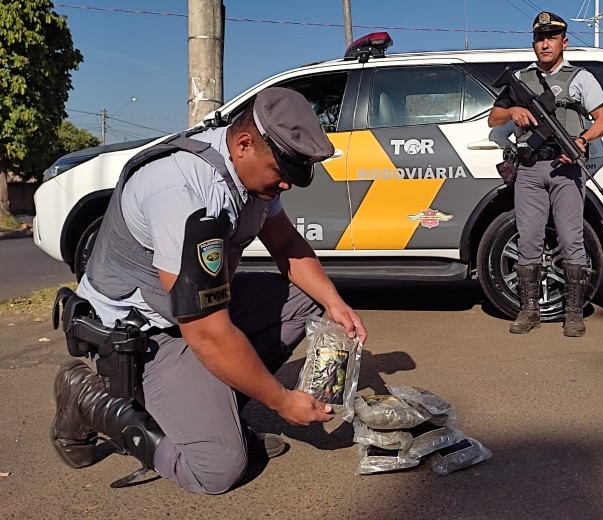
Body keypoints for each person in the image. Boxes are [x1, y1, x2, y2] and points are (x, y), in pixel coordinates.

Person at [50, 87, 368, 494]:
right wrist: (283, 402)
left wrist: (335, 303)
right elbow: (205, 333)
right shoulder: (181, 192)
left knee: (306, 302)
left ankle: (212, 415)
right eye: (282, 170)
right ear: (245, 143)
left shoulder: (253, 177)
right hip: (140, 333)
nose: (287, 184)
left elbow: (287, 245)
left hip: (187, 313)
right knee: (218, 468)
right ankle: (93, 398)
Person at [488, 12, 603, 338]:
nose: (545, 43)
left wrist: (582, 140)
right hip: (529, 169)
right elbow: (493, 118)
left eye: (552, 38)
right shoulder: (520, 79)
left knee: (572, 239)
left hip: (566, 169)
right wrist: (513, 110)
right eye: (540, 38)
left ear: (564, 42)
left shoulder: (580, 78)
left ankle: (573, 313)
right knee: (528, 239)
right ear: (534, 43)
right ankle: (528, 311)